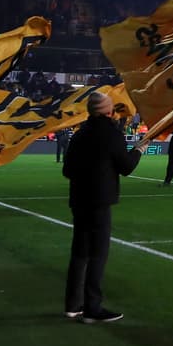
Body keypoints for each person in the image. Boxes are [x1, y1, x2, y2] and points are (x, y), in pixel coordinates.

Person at [63, 91, 142, 324]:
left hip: (79, 200)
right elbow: (126, 167)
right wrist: (138, 150)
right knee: (98, 255)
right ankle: (92, 308)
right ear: (108, 111)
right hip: (99, 202)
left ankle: (72, 305)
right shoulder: (111, 133)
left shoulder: (80, 134)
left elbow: (67, 170)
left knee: (79, 254)